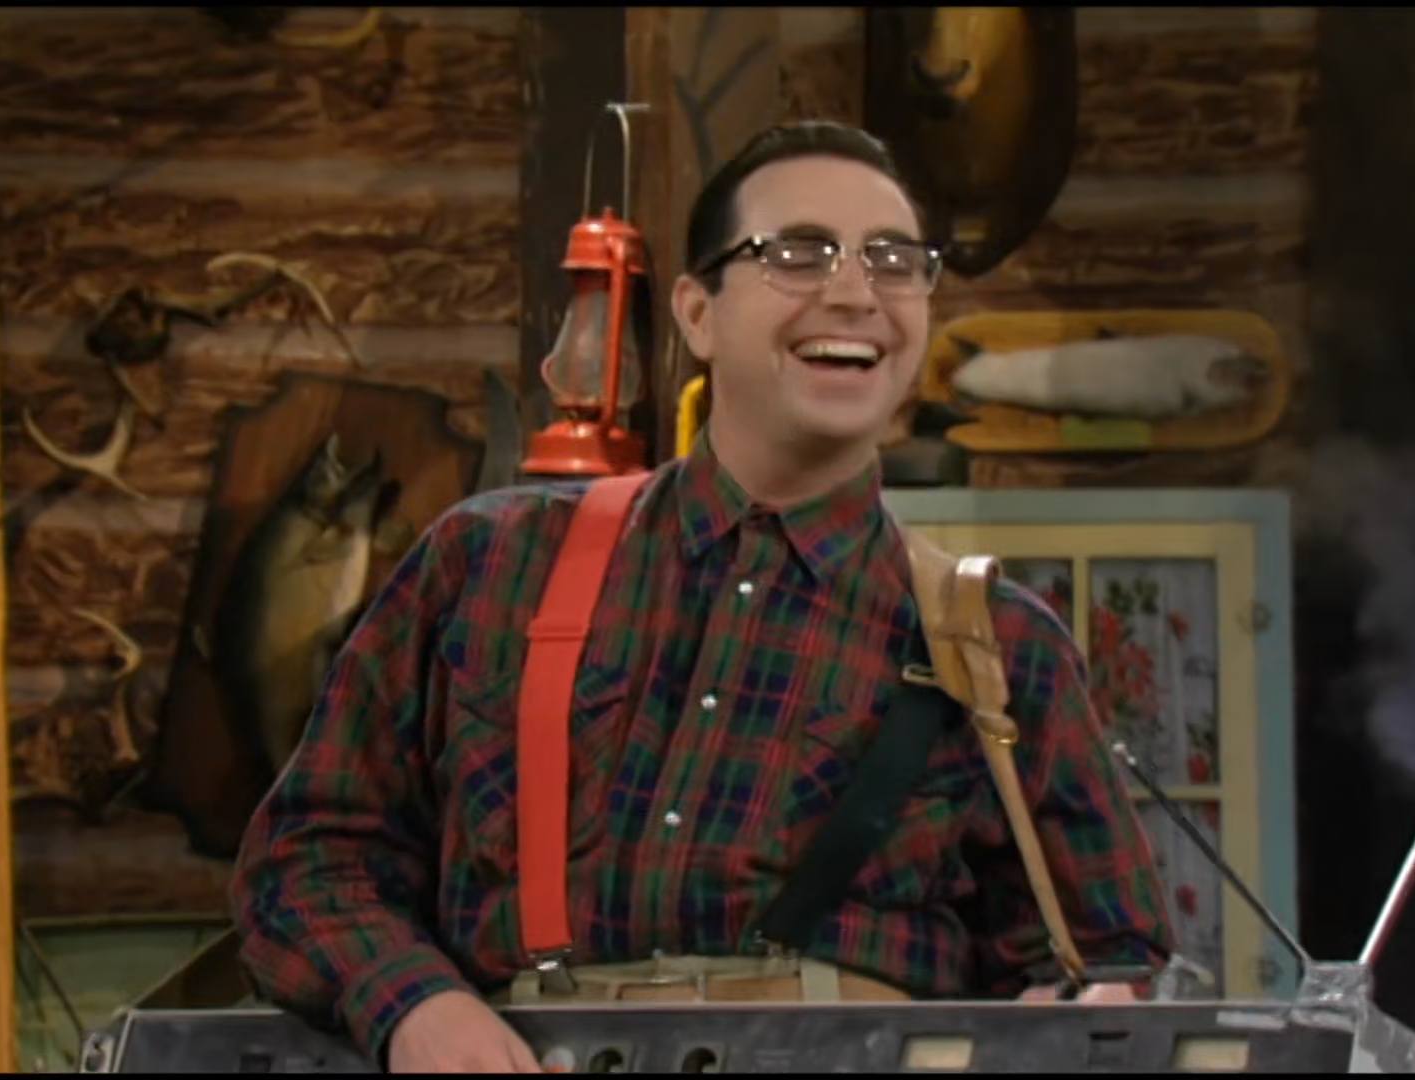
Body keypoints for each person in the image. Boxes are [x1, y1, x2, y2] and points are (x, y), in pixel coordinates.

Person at [228, 120, 1176, 1074]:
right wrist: (415, 1006)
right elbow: (306, 859)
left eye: (895, 261)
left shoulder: (997, 644)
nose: (856, 293)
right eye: (799, 253)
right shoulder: (490, 563)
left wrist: (1090, 1010)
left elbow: (1106, 963)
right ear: (696, 313)